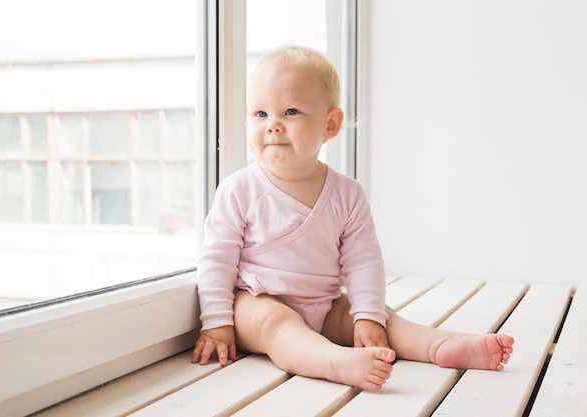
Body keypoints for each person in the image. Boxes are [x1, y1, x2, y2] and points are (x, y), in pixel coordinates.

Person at [191, 45, 514, 391]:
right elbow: (217, 260)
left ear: (330, 124)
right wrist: (216, 321)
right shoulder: (239, 189)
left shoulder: (347, 194)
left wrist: (368, 316)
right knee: (278, 325)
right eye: (259, 114)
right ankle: (334, 362)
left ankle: (440, 345)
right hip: (257, 302)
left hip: (324, 304)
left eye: (290, 111)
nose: (273, 126)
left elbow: (363, 262)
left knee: (381, 318)